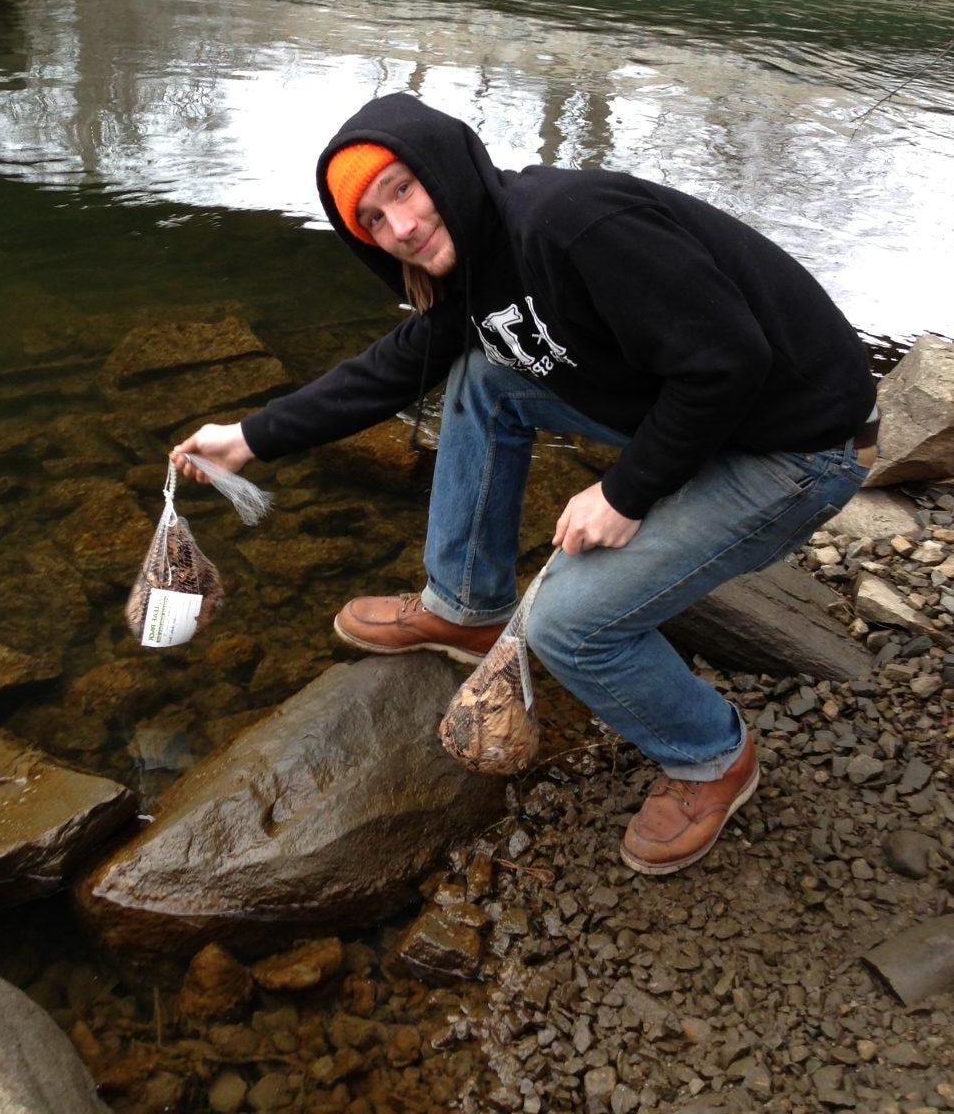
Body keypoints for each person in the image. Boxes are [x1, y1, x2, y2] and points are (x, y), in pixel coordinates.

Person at [172, 93, 877, 875]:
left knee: (568, 625)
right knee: (484, 374)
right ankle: (466, 607)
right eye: (372, 220)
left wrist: (625, 493)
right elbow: (397, 368)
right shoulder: (473, 268)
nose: (399, 225)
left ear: (445, 166)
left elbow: (729, 362)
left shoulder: (572, 224)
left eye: (403, 188)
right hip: (715, 416)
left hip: (798, 445)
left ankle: (714, 758)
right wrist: (249, 437)